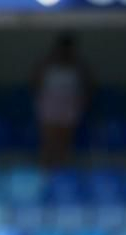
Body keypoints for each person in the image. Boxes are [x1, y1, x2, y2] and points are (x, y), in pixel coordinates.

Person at [34, 34, 90, 168]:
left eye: (68, 49)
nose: (64, 52)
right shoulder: (46, 63)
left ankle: (63, 174)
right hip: (50, 105)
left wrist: (82, 101)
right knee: (49, 142)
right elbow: (35, 82)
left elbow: (88, 85)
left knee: (65, 143)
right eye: (62, 48)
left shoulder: (78, 65)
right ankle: (46, 170)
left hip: (70, 105)